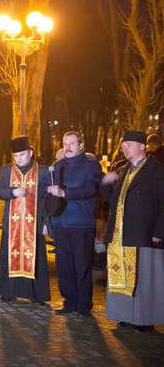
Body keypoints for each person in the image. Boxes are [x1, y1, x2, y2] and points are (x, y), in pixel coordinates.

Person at [100, 131, 164, 333]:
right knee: (124, 278)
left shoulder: (157, 171)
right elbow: (112, 200)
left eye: (128, 145)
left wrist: (159, 230)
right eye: (123, 145)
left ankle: (145, 319)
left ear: (142, 146)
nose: (124, 148)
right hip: (122, 234)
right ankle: (126, 316)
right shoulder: (123, 170)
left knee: (144, 277)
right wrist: (107, 182)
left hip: (145, 233)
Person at [41, 131, 101, 317]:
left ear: (81, 146)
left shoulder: (91, 166)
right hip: (60, 222)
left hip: (81, 223)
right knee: (64, 265)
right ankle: (70, 302)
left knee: (82, 265)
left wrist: (65, 193)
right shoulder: (57, 167)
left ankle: (84, 304)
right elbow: (44, 187)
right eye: (65, 143)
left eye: (72, 143)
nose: (67, 147)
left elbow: (91, 188)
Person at [0, 136, 50, 306]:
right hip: (11, 225)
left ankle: (36, 294)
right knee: (8, 257)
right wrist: (12, 192)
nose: (19, 159)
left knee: (36, 258)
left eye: (23, 154)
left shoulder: (43, 171)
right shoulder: (6, 170)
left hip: (35, 224)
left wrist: (47, 222)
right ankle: (7, 292)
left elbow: (48, 199)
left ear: (30, 153)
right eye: (16, 156)